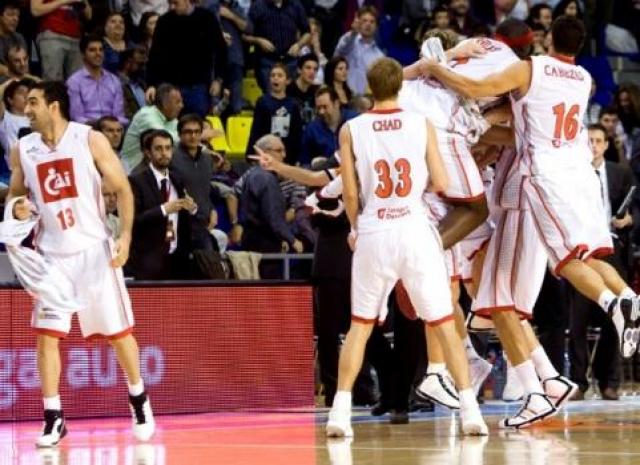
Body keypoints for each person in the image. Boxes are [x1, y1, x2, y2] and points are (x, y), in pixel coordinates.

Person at [425, 16, 640, 424]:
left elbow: (482, 95)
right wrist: (485, 125)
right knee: (508, 299)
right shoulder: (580, 80)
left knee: (531, 284)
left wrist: (438, 70)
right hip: (556, 184)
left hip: (531, 191)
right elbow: (513, 122)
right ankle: (553, 373)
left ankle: (557, 368)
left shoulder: (527, 72)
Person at [326, 56, 487, 437]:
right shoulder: (421, 123)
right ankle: (470, 412)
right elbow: (443, 180)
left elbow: (349, 191)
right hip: (413, 227)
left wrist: (354, 226)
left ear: (370, 86)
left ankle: (339, 413)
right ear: (401, 85)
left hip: (375, 229)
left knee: (360, 326)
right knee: (444, 323)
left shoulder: (351, 128)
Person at [6, 80, 154, 446]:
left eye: (34, 102)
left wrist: (125, 237)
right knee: (46, 337)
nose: (27, 109)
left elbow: (122, 188)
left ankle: (138, 397)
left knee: (118, 335)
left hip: (93, 250)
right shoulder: (23, 148)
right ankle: (53, 416)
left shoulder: (90, 139)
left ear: (54, 105)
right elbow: (15, 194)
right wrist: (17, 207)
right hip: (52, 256)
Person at [570, 123, 636, 400]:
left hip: (611, 246)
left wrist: (629, 220)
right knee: (578, 321)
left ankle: (609, 381)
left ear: (606, 145)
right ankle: (577, 382)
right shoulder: (573, 172)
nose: (593, 145)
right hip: (580, 247)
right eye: (589, 140)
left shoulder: (619, 172)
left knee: (614, 320)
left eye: (598, 141)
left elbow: (633, 209)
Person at [127, 129, 196, 280]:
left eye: (168, 148)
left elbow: (184, 214)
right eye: (158, 148)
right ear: (148, 152)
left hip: (177, 256)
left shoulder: (177, 178)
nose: (164, 153)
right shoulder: (136, 181)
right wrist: (164, 209)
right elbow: (134, 219)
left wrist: (191, 208)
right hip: (149, 259)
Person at [238, 134, 303, 278]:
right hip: (264, 243)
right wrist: (292, 239)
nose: (284, 155)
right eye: (279, 150)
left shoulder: (253, 175)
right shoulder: (266, 179)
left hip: (253, 239)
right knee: (267, 289)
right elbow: (272, 216)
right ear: (265, 152)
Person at [66, 34, 128, 126]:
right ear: (83, 54)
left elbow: (119, 115)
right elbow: (77, 118)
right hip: (87, 130)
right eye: (92, 50)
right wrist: (100, 125)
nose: (98, 53)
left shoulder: (114, 81)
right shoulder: (74, 82)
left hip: (112, 129)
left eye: (101, 50)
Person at [120, 83, 183, 173]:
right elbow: (168, 139)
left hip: (155, 171)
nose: (182, 105)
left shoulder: (171, 119)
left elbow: (182, 136)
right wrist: (198, 136)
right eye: (178, 102)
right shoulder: (146, 115)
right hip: (131, 171)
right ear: (165, 104)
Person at [333, 5, 384, 96]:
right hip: (344, 97)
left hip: (366, 101)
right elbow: (340, 52)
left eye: (372, 22)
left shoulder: (380, 56)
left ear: (376, 26)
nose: (368, 24)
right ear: (358, 22)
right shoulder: (349, 39)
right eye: (364, 20)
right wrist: (353, 32)